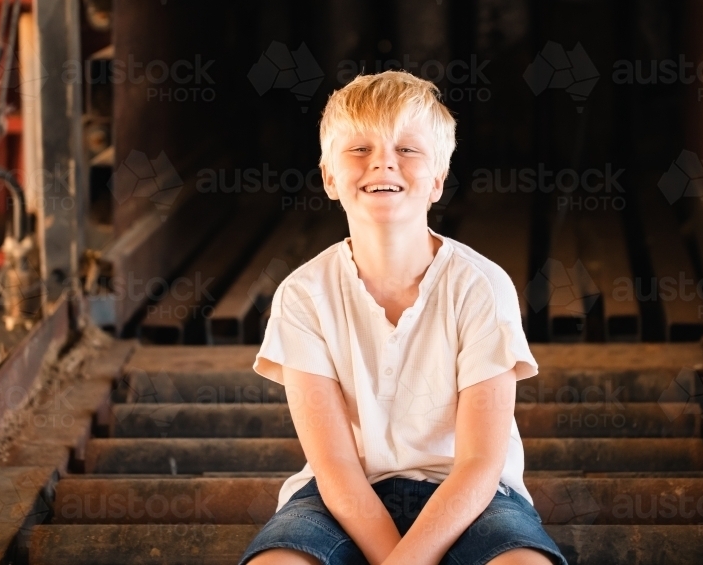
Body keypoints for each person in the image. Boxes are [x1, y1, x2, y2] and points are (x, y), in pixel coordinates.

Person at [239, 71, 567, 565]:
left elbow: (479, 464)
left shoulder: (481, 285)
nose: (383, 161)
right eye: (358, 149)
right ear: (329, 177)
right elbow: (335, 469)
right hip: (342, 498)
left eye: (408, 150)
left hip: (469, 498)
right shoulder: (304, 295)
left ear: (437, 179)